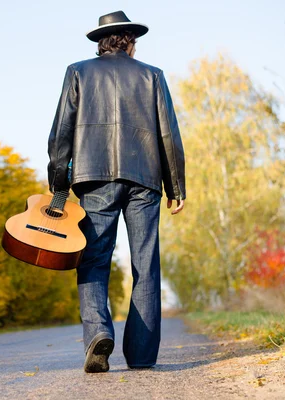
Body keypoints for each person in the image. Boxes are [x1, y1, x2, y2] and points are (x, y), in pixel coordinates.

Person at [47, 10, 186, 373]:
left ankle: (97, 333)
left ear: (100, 42)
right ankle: (141, 356)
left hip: (94, 179)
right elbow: (168, 133)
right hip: (144, 179)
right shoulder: (152, 75)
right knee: (145, 263)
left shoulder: (78, 71)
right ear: (130, 42)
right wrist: (176, 186)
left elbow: (61, 129)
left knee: (93, 258)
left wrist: (59, 184)